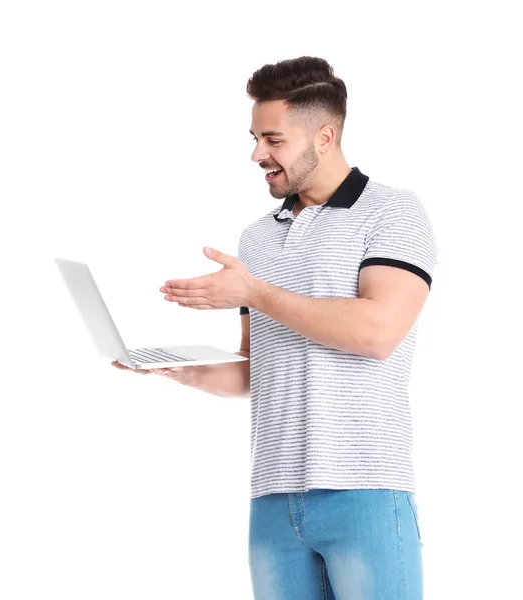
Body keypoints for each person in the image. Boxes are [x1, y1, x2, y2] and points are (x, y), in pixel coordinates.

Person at [113, 56, 437, 600]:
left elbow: (378, 330)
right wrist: (176, 368)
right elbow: (253, 370)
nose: (258, 154)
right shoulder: (258, 238)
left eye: (273, 139)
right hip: (272, 496)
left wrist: (255, 293)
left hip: (364, 488)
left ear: (325, 136)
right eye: (254, 137)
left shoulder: (392, 213)